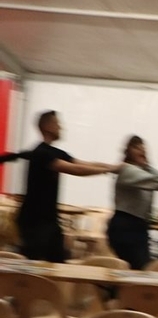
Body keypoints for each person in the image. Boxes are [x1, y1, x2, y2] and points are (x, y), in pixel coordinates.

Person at [16, 111, 119, 262]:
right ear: (47, 127)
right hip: (34, 221)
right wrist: (108, 170)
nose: (61, 127)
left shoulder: (55, 152)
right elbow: (76, 170)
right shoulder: (41, 153)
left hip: (49, 220)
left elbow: (84, 164)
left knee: (58, 262)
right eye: (57, 124)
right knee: (35, 265)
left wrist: (113, 168)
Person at [107, 135, 158, 269]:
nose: (142, 151)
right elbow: (155, 181)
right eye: (137, 148)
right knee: (139, 267)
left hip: (139, 226)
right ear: (128, 152)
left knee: (140, 267)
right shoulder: (127, 169)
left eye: (143, 149)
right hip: (125, 225)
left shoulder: (145, 170)